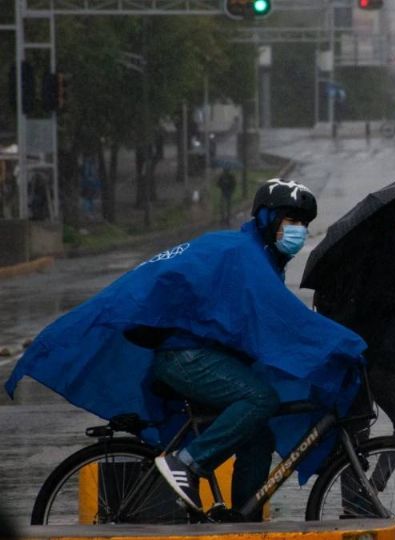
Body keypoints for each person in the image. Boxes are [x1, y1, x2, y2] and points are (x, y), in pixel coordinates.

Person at [5, 178, 367, 519]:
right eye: (291, 219)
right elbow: (284, 320)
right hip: (186, 358)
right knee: (260, 400)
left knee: (259, 438)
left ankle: (243, 521)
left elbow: (264, 325)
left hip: (199, 357)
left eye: (304, 223)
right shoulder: (243, 254)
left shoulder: (255, 257)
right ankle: (187, 464)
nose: (298, 230)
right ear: (268, 218)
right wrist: (342, 345)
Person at [313, 217, 395, 515]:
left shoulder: (372, 260)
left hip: (363, 362)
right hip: (376, 362)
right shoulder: (380, 261)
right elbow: (373, 308)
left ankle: (354, 506)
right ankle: (370, 488)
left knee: (355, 434)